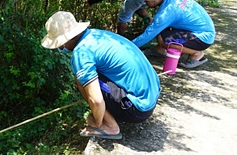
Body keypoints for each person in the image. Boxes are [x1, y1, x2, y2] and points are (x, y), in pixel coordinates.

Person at [41, 11, 161, 139]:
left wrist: (97, 124)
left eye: (59, 46)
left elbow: (96, 100)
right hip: (151, 98)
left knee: (81, 78)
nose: (60, 49)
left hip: (138, 109)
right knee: (88, 77)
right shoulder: (97, 35)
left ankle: (110, 126)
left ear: (64, 41)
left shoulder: (81, 53)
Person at [131, 0, 216, 69]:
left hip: (203, 37)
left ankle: (196, 53)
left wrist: (128, 46)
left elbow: (148, 34)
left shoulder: (167, 12)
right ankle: (160, 50)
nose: (145, 1)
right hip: (196, 30)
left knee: (164, 40)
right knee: (158, 26)